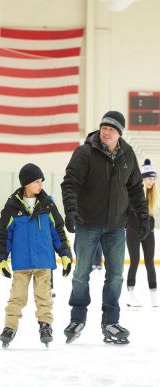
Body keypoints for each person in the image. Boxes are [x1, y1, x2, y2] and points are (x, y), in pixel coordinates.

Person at [61, 110, 150, 344]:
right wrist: (71, 211)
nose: (106, 131)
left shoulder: (128, 155)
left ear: (119, 133)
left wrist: (143, 217)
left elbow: (135, 190)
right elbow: (70, 184)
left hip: (116, 227)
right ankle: (77, 317)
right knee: (81, 275)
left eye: (111, 129)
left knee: (115, 277)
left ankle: (110, 322)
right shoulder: (85, 153)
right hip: (87, 224)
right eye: (103, 127)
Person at [0, 163, 72, 347]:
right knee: (17, 297)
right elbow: (3, 234)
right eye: (37, 181)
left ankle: (45, 325)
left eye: (41, 181)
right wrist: (1, 259)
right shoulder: (12, 206)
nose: (41, 185)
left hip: (44, 261)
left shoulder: (47, 204)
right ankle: (10, 326)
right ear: (26, 183)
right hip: (21, 262)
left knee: (44, 297)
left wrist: (65, 254)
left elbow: (58, 230)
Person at [126, 159, 159, 308]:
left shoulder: (153, 195)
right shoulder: (134, 192)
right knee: (134, 261)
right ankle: (130, 295)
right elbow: (130, 213)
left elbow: (150, 216)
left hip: (148, 232)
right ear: (143, 178)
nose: (151, 182)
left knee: (150, 262)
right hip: (133, 230)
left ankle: (154, 295)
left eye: (154, 179)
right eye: (149, 178)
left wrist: (149, 226)